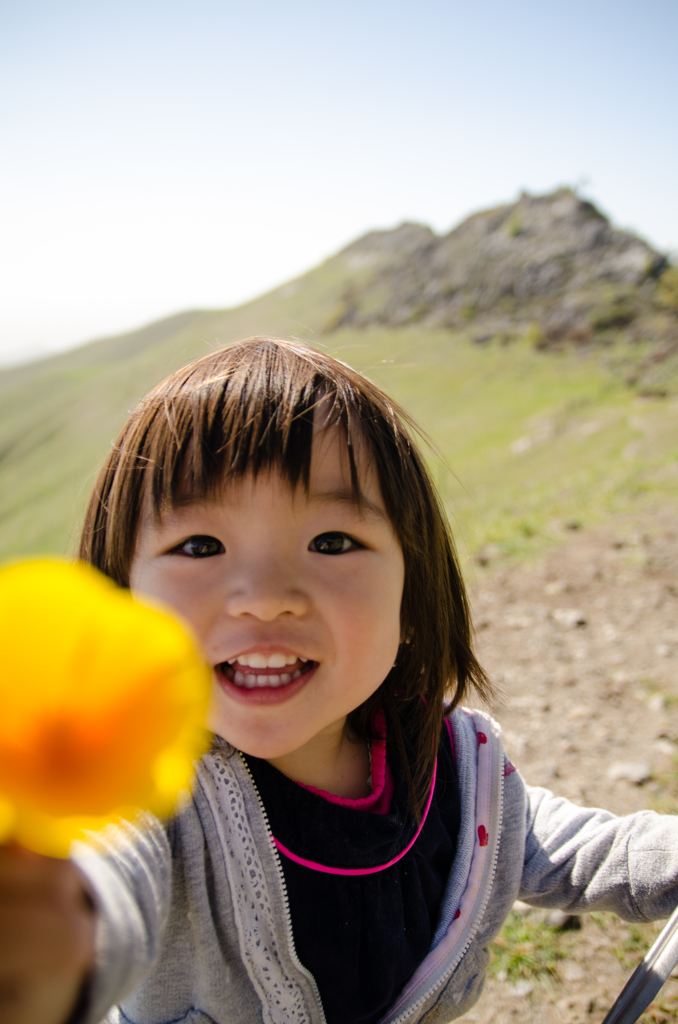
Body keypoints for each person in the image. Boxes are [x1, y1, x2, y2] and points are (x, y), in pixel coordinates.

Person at [1, 336, 678, 1024]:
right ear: (119, 603)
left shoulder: (450, 764)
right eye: (199, 546)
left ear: (413, 593)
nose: (265, 597)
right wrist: (58, 934)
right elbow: (105, 880)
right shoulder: (145, 794)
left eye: (331, 543)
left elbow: (533, 838)